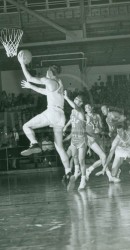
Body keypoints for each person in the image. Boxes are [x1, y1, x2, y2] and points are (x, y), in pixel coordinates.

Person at [18, 54, 72, 186]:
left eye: (47, 71)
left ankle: (34, 143)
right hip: (61, 116)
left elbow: (29, 78)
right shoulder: (59, 83)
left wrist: (21, 63)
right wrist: (31, 87)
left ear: (49, 72)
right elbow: (47, 93)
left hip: (52, 112)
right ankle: (68, 172)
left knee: (26, 126)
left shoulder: (48, 80)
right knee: (59, 146)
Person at [64, 91, 87, 190]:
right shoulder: (73, 111)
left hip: (81, 138)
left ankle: (83, 180)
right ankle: (76, 172)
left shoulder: (80, 110)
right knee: (74, 157)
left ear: (81, 103)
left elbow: (75, 107)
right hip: (74, 138)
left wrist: (66, 97)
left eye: (79, 100)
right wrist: (66, 126)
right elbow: (71, 119)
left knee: (81, 160)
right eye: (76, 99)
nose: (76, 101)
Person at [85, 104, 112, 182]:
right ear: (85, 110)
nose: (88, 108)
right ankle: (109, 176)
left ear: (92, 108)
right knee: (103, 156)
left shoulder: (97, 116)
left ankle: (89, 170)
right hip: (90, 139)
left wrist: (99, 130)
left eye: (89, 106)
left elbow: (101, 127)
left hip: (97, 138)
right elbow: (82, 129)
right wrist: (88, 147)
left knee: (103, 158)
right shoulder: (84, 116)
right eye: (86, 107)